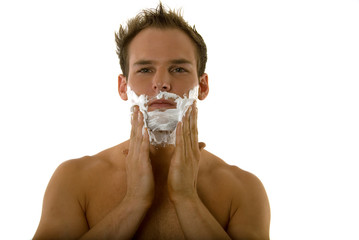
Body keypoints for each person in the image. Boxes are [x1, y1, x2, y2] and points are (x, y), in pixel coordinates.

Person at [33, 3, 270, 239]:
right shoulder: (74, 180)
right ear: (123, 87)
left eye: (178, 69)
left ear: (203, 86)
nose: (161, 82)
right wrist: (133, 201)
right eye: (145, 70)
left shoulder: (243, 190)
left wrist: (186, 198)